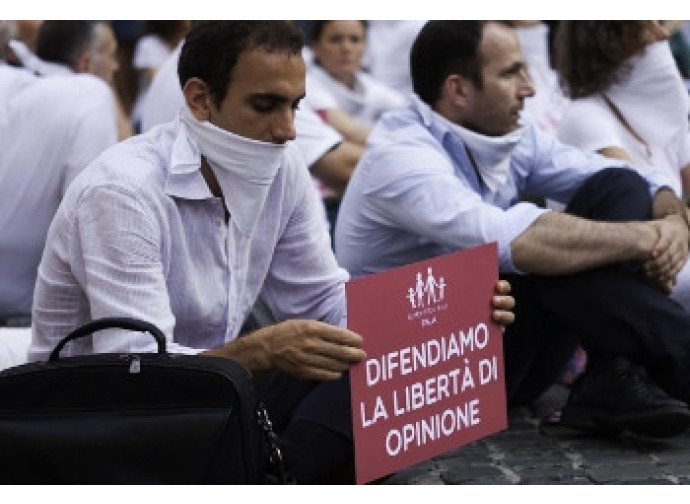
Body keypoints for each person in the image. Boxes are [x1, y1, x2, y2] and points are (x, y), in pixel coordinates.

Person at [27, 20, 517, 484]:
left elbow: (325, 301)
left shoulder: (282, 170)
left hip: (212, 401)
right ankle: (281, 471)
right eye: (266, 106)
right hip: (104, 422)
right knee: (336, 382)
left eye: (295, 106)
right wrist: (258, 351)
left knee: (370, 362)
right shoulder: (123, 192)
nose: (287, 130)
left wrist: (449, 311)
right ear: (201, 99)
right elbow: (137, 378)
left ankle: (278, 470)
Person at [335, 20, 690, 439]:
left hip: (500, 351)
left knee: (618, 187)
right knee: (543, 254)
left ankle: (612, 372)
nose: (530, 88)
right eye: (510, 73)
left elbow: (621, 176)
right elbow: (514, 242)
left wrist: (670, 217)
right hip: (424, 379)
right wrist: (648, 239)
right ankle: (664, 358)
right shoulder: (402, 159)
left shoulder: (508, 135)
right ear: (459, 90)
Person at [555, 21, 690, 309]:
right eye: (647, 26)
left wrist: (680, 224)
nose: (663, 33)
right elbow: (648, 216)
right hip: (628, 279)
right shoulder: (585, 117)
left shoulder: (665, 116)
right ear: (609, 43)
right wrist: (680, 222)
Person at [305, 20, 407, 147]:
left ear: (365, 45)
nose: (346, 48)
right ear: (315, 47)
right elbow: (353, 133)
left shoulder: (369, 84)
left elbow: (409, 111)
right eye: (335, 39)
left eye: (355, 40)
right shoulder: (307, 87)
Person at [29, 20, 132, 140]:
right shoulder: (93, 100)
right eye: (111, 55)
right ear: (85, 64)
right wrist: (107, 85)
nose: (116, 66)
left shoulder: (22, 89)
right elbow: (126, 145)